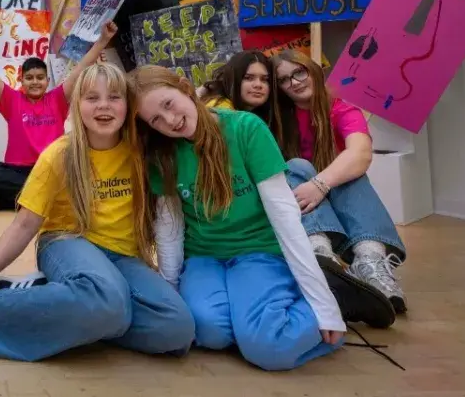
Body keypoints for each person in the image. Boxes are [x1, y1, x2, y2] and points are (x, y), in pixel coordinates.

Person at [0, 63, 196, 363]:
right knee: (109, 302)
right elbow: (25, 224)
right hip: (67, 241)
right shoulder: (60, 154)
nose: (104, 106)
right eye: (92, 98)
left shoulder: (139, 151)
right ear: (76, 105)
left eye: (114, 97)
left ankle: (60, 300)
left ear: (128, 106)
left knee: (177, 329)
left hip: (124, 257)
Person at [132, 66, 396, 371]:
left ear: (185, 88)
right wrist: (172, 292)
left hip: (258, 251)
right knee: (209, 332)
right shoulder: (163, 154)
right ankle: (258, 314)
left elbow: (285, 217)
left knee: (269, 347)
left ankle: (335, 297)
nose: (169, 120)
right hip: (204, 259)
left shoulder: (246, 128)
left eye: (168, 104)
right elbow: (170, 228)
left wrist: (323, 304)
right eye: (155, 119)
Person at [272, 50, 408, 314]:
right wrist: (206, 89)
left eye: (299, 72)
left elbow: (361, 152)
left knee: (352, 172)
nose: (295, 82)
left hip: (335, 198)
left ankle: (369, 261)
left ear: (313, 70)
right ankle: (321, 257)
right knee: (296, 166)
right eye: (284, 79)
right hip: (300, 210)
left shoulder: (340, 108)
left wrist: (320, 185)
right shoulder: (276, 116)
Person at [0, 20, 120, 212]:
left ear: (47, 81)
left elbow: (81, 67)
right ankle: (48, 200)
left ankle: (10, 200)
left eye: (40, 78)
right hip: (19, 171)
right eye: (29, 78)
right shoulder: (12, 100)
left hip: (51, 169)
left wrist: (103, 40)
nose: (35, 82)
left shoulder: (58, 99)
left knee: (76, 172)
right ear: (21, 80)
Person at [199, 51, 283, 142]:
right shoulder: (220, 109)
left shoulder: (256, 114)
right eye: (248, 78)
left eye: (264, 79)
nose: (258, 85)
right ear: (233, 79)